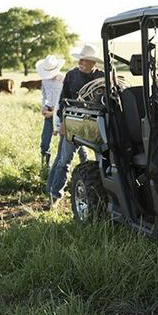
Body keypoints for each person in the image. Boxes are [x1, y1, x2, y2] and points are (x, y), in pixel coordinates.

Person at [45, 44, 104, 208]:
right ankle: (54, 197)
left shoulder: (102, 77)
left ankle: (102, 195)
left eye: (85, 60)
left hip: (95, 124)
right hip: (72, 122)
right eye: (81, 59)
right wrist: (62, 121)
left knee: (102, 159)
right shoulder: (71, 75)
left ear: (94, 63)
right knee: (64, 161)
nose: (82, 62)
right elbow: (63, 100)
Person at [35, 55, 65, 174]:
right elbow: (44, 95)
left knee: (68, 143)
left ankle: (64, 168)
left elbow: (64, 100)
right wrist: (44, 106)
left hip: (62, 115)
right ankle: (46, 167)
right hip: (49, 112)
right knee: (45, 141)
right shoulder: (44, 80)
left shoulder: (64, 80)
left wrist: (53, 114)